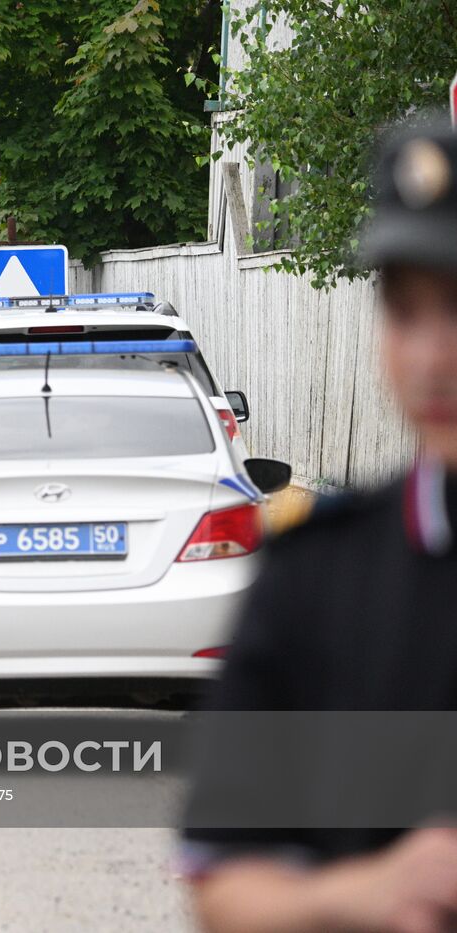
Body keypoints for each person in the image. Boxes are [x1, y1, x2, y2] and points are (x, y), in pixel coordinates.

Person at [183, 119, 457, 932]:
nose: (432, 356)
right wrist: (364, 894)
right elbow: (222, 883)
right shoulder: (317, 581)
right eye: (404, 313)